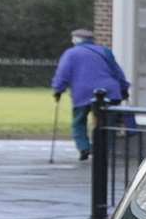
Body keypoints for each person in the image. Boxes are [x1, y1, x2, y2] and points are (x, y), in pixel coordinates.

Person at [51, 27, 128, 162]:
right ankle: (102, 149)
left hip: (83, 93)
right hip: (109, 91)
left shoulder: (71, 53)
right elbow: (117, 71)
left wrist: (58, 90)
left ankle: (84, 148)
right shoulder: (105, 51)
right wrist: (124, 88)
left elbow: (63, 74)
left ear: (76, 39)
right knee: (107, 123)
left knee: (79, 121)